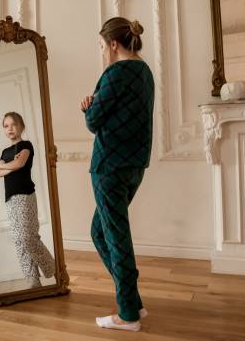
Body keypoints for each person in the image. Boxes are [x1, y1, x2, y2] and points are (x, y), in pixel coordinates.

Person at [80, 17, 155, 332]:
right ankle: (132, 300)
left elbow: (94, 121)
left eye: (101, 46)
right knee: (101, 232)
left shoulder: (115, 73)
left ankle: (127, 315)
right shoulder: (145, 73)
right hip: (135, 165)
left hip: (109, 167)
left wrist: (87, 107)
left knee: (115, 238)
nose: (101, 52)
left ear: (113, 44)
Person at [0, 112, 55, 288]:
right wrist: (7, 166)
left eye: (13, 124)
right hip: (10, 199)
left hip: (25, 195)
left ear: (21, 127)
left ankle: (51, 267)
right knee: (19, 240)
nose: (10, 128)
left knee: (27, 237)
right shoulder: (5, 152)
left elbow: (19, 164)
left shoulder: (26, 146)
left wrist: (4, 165)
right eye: (6, 126)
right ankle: (32, 280)